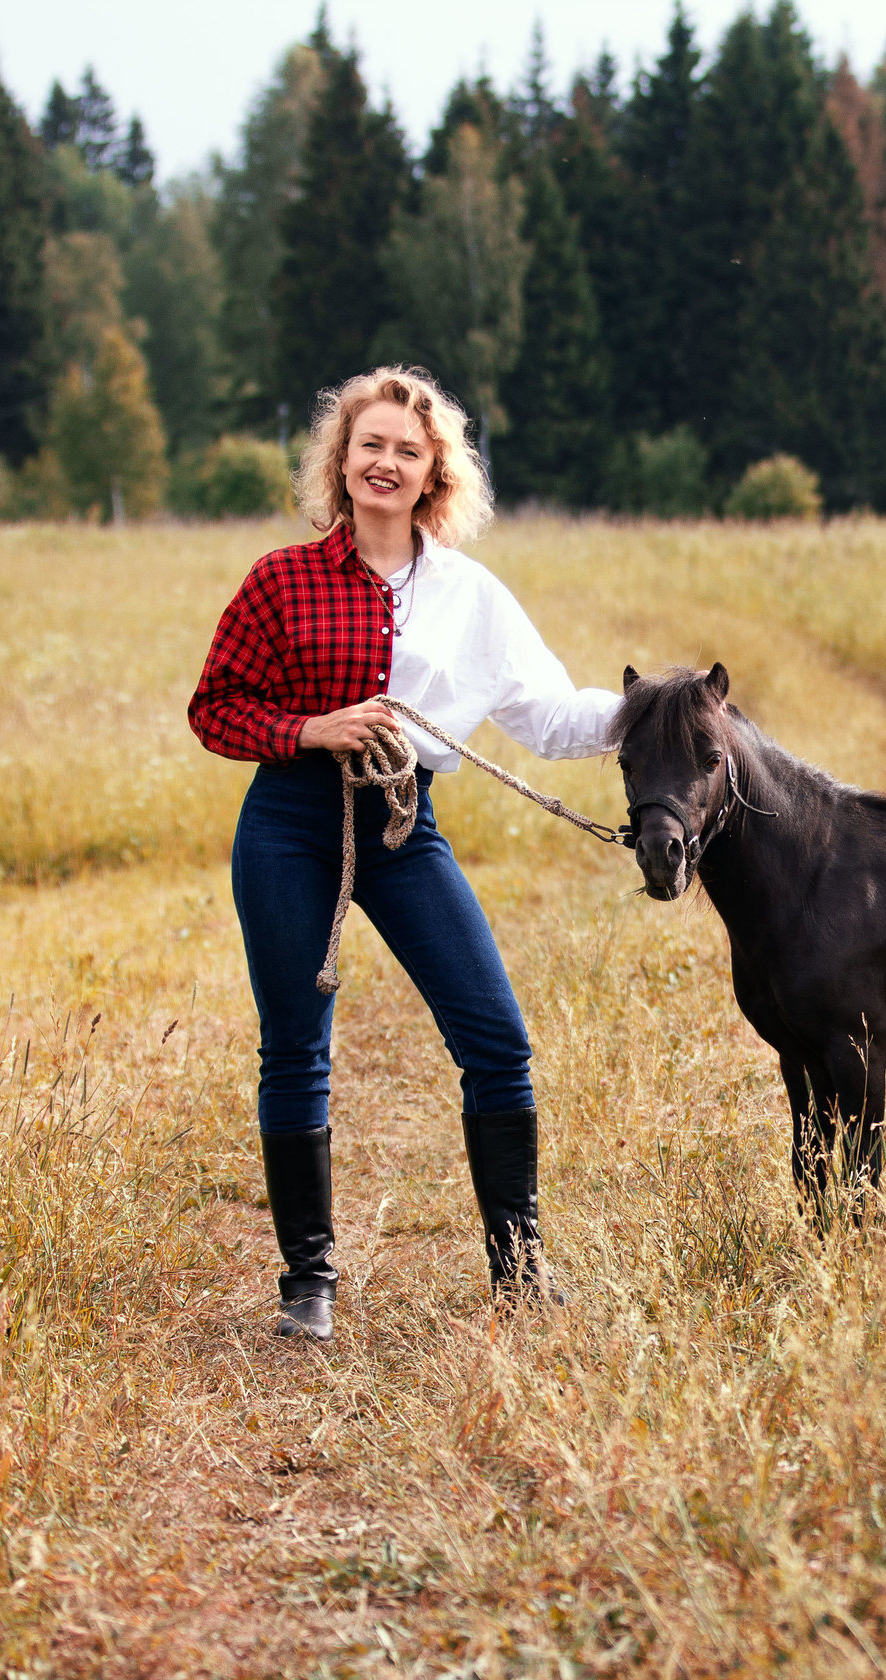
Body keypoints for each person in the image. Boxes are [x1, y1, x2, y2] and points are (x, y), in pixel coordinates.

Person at [188, 366, 617, 1338]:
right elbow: (214, 710)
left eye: (407, 451)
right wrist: (312, 729)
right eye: (369, 444)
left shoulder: (471, 596)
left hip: (400, 821)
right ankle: (309, 1283)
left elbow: (548, 716)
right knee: (297, 1047)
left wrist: (655, 710)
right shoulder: (280, 580)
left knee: (497, 1040)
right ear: (341, 461)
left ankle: (518, 1269)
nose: (385, 462)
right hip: (292, 821)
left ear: (435, 475)